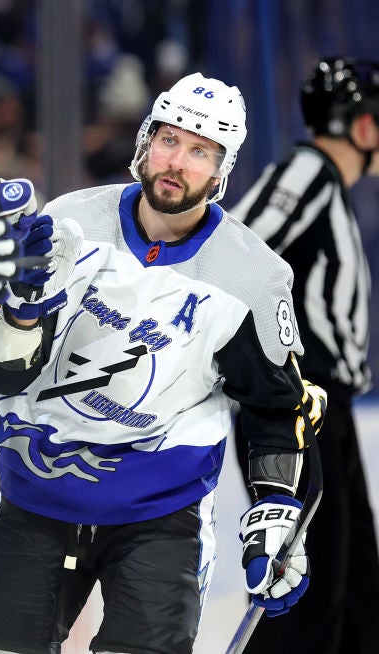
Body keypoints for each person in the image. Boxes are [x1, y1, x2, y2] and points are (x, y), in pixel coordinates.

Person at [0, 73, 327, 654]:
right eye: (169, 140)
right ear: (144, 143)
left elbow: (275, 407)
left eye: (200, 152)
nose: (177, 162)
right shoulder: (70, 224)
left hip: (162, 514)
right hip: (37, 494)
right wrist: (21, 314)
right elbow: (5, 372)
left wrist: (277, 507)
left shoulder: (254, 277)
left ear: (222, 169)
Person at [229, 56, 379, 654]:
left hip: (324, 412)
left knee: (358, 595)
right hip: (298, 410)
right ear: (363, 128)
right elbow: (235, 249)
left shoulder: (325, 185)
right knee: (308, 597)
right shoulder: (309, 172)